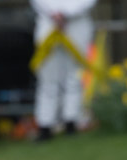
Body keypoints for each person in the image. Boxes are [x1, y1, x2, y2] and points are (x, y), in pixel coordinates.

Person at [31, 0, 97, 141]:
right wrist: (53, 13)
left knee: (75, 75)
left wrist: (67, 13)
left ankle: (71, 122)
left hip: (77, 24)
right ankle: (45, 125)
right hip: (48, 23)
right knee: (48, 77)